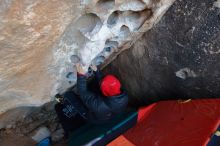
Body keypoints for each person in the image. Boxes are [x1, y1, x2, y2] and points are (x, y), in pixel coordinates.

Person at [54, 63, 128, 137]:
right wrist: (97, 71)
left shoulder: (99, 105)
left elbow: (82, 92)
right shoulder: (123, 96)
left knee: (70, 96)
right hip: (107, 113)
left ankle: (61, 101)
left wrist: (80, 75)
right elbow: (107, 85)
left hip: (93, 117)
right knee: (93, 86)